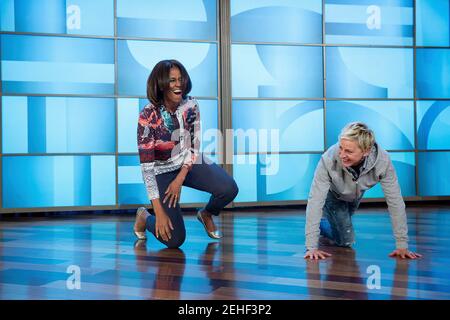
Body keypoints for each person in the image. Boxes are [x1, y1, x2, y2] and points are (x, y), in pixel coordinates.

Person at [133, 59, 238, 248]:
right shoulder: (147, 116)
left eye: (180, 79)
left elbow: (193, 145)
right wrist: (158, 210)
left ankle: (206, 214)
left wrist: (180, 178)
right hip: (162, 172)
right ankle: (144, 217)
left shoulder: (191, 105)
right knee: (174, 240)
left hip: (188, 162)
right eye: (172, 80)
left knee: (229, 189)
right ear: (161, 84)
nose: (178, 84)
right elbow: (147, 168)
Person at [304, 122, 422, 260]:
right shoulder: (328, 159)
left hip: (355, 194)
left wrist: (402, 245)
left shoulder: (382, 161)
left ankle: (331, 220)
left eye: (348, 151)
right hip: (333, 195)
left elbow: (395, 202)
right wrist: (311, 247)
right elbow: (315, 201)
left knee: (342, 223)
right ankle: (324, 222)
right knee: (345, 240)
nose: (341, 155)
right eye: (341, 148)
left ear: (366, 151)